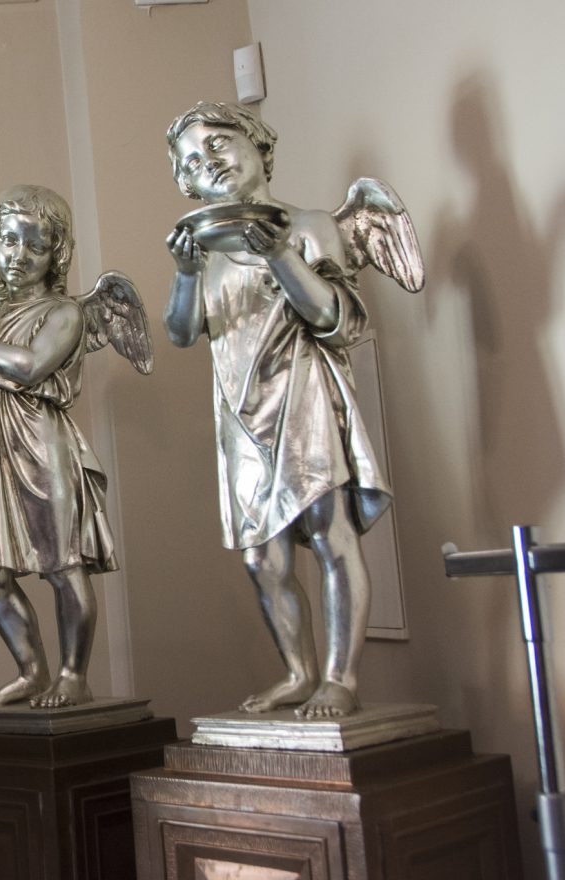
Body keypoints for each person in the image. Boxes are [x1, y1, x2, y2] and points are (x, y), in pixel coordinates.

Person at [163, 102, 397, 719]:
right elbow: (182, 332)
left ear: (258, 145)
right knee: (260, 558)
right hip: (239, 409)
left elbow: (332, 318)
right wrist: (185, 272)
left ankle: (340, 677)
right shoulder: (207, 250)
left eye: (218, 143)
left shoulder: (308, 225)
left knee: (329, 531)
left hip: (302, 392)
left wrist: (279, 255)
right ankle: (298, 672)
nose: (208, 162)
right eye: (192, 161)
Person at [0, 184, 123, 710]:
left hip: (41, 441)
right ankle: (31, 671)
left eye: (35, 245)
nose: (19, 255)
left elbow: (30, 367)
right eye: (9, 240)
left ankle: (73, 675)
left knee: (62, 562)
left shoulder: (64, 312)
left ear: (55, 255)